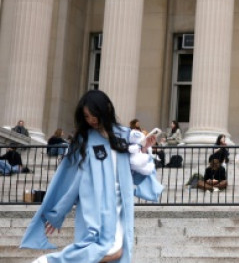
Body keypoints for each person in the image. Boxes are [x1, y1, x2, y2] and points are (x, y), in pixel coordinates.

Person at [19, 89, 163, 263]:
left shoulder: (124, 136)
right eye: (86, 117)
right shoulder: (84, 140)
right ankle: (51, 261)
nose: (91, 120)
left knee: (118, 254)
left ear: (105, 110)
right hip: (96, 203)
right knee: (111, 250)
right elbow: (71, 180)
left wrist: (144, 150)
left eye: (93, 115)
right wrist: (58, 212)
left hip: (120, 203)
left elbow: (134, 175)